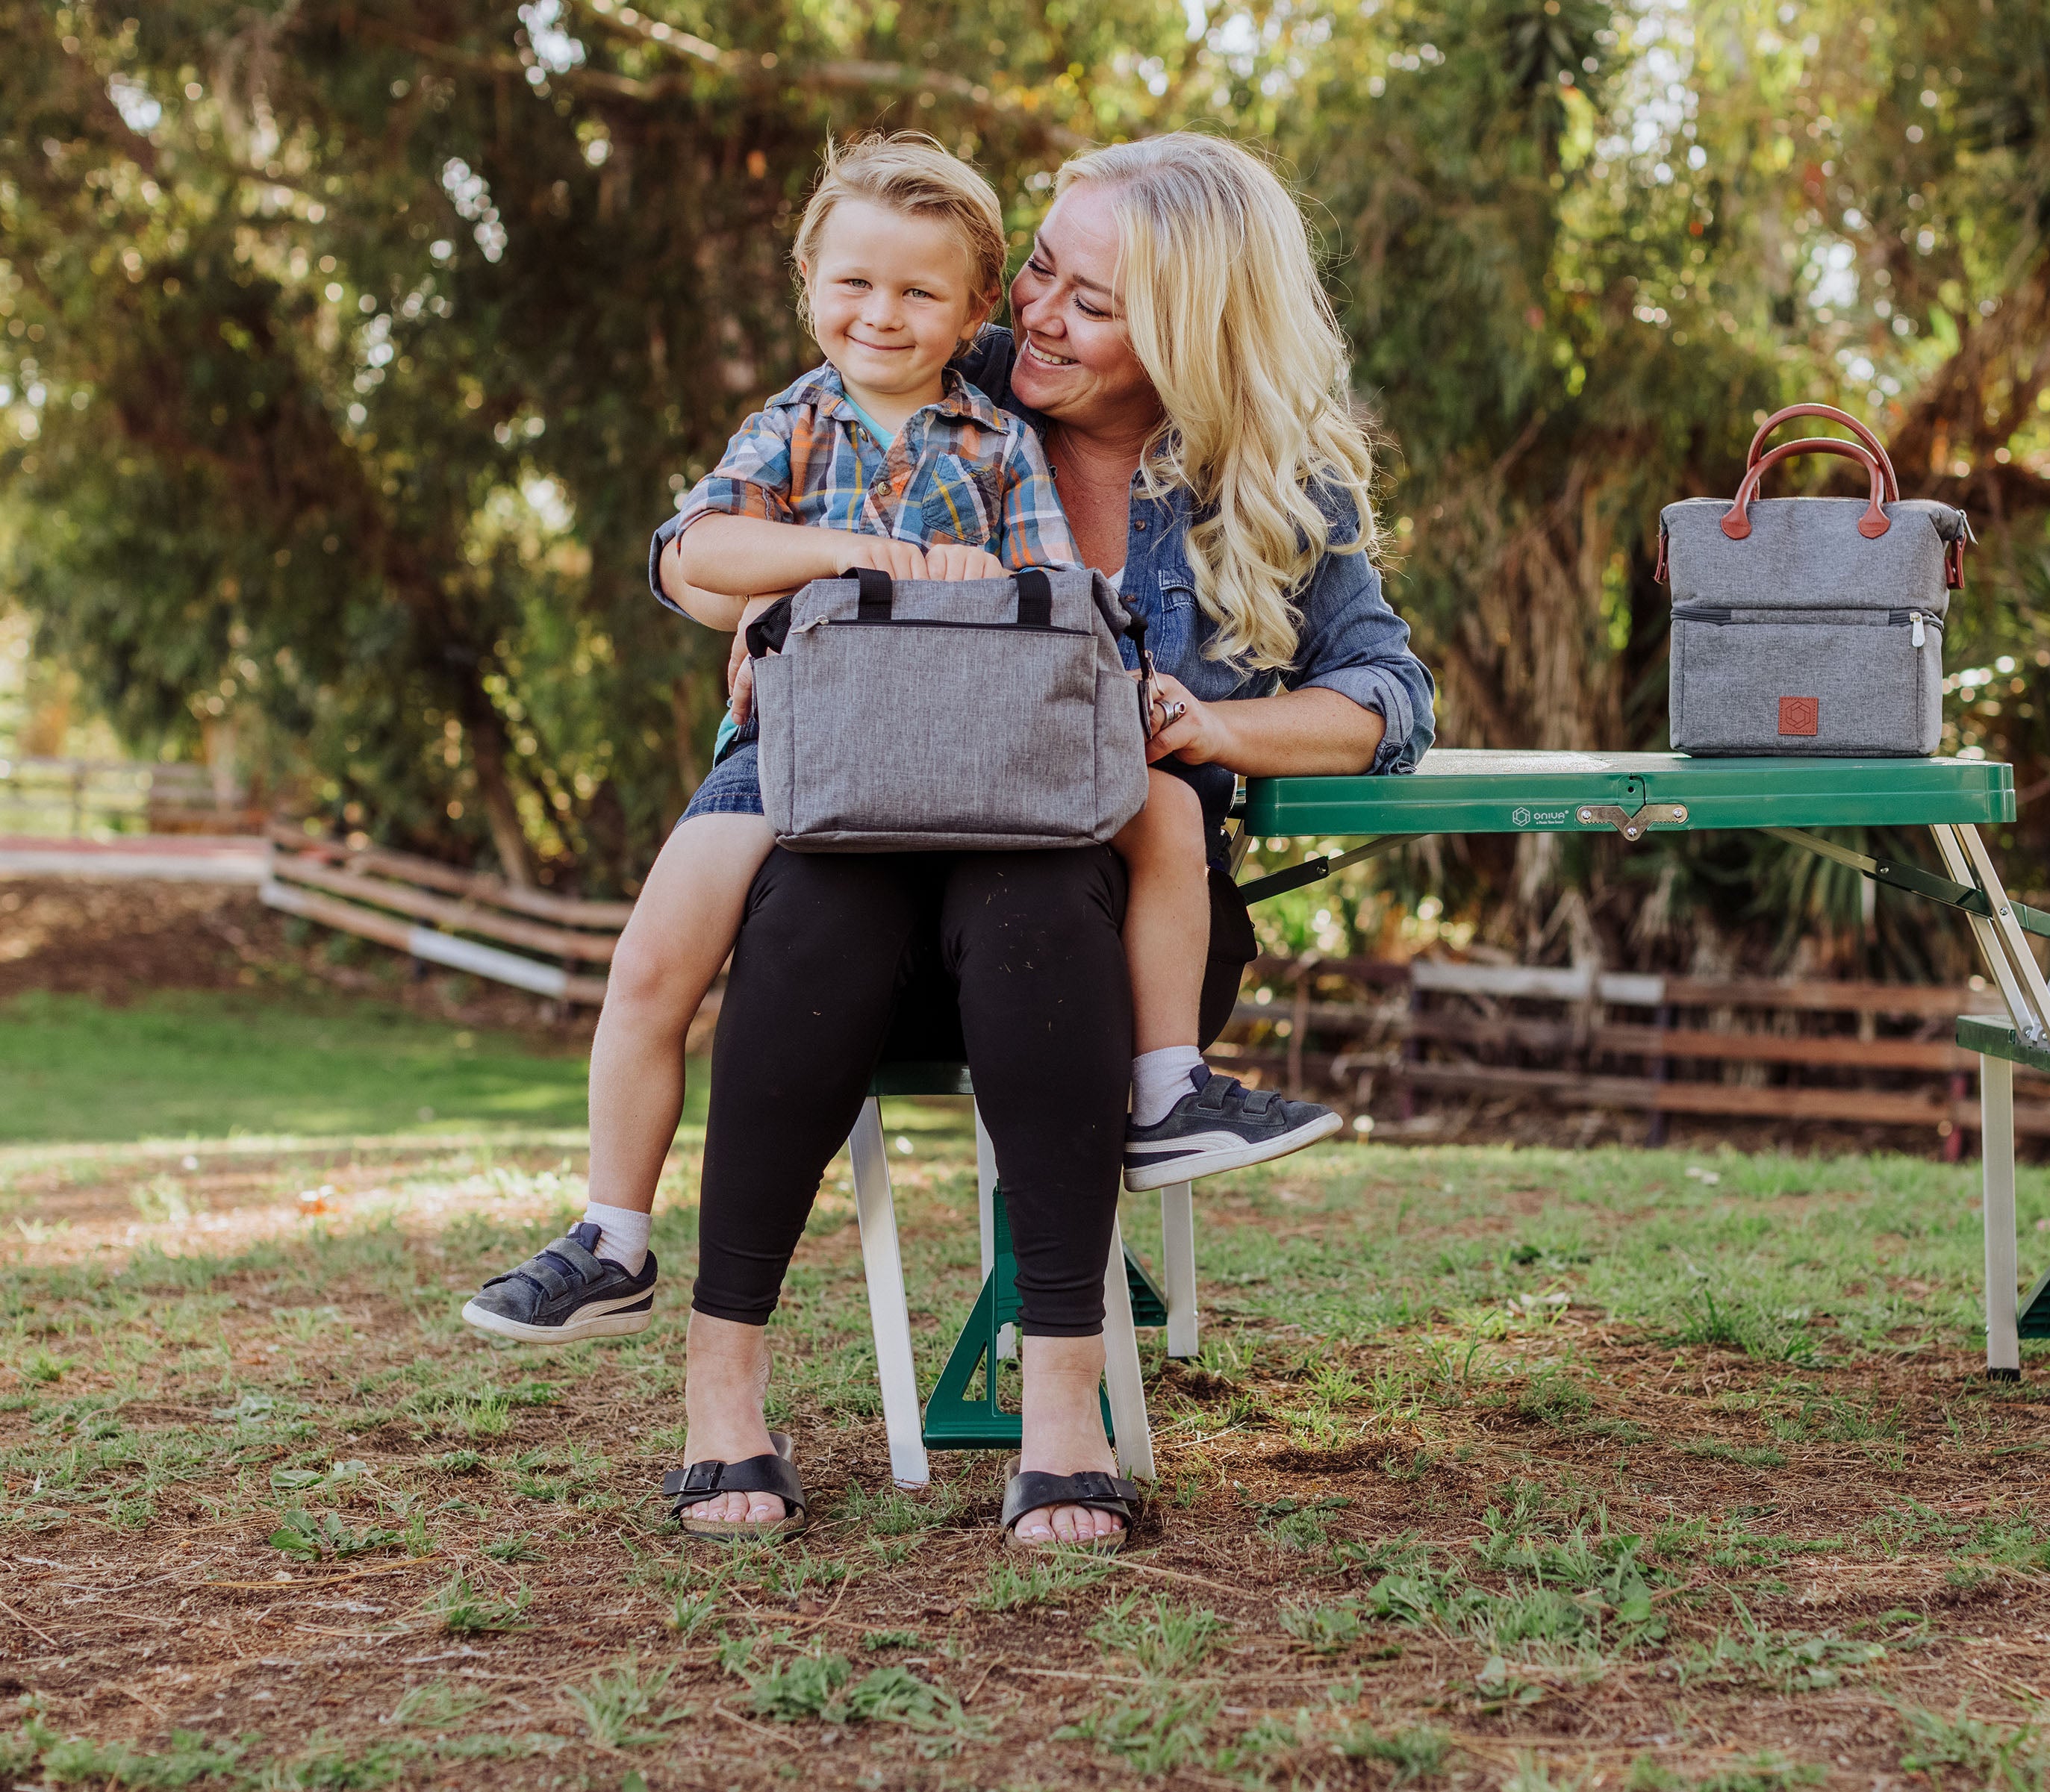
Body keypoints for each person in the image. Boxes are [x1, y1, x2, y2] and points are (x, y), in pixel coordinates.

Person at [665, 132, 1434, 1545]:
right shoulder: (916, 394)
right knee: (812, 904)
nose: (1035, 312)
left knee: (1034, 900)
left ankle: (1063, 1415)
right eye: (1038, 271)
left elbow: (1388, 695)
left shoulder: (1263, 494)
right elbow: (713, 548)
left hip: (1114, 925)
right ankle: (723, 1398)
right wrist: (807, 601)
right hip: (877, 875)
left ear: (1193, 334)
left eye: (1091, 301)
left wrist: (1205, 727)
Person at [458, 133, 1339, 1361]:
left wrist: (1141, 686)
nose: (888, 315)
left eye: (925, 295)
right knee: (657, 952)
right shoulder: (796, 424)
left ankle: (1166, 1085)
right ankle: (611, 1234)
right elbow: (696, 552)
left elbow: (1058, 598)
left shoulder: (999, 438)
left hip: (987, 759)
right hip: (801, 749)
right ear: (809, 280)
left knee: (1173, 810)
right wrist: (844, 564)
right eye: (1041, 276)